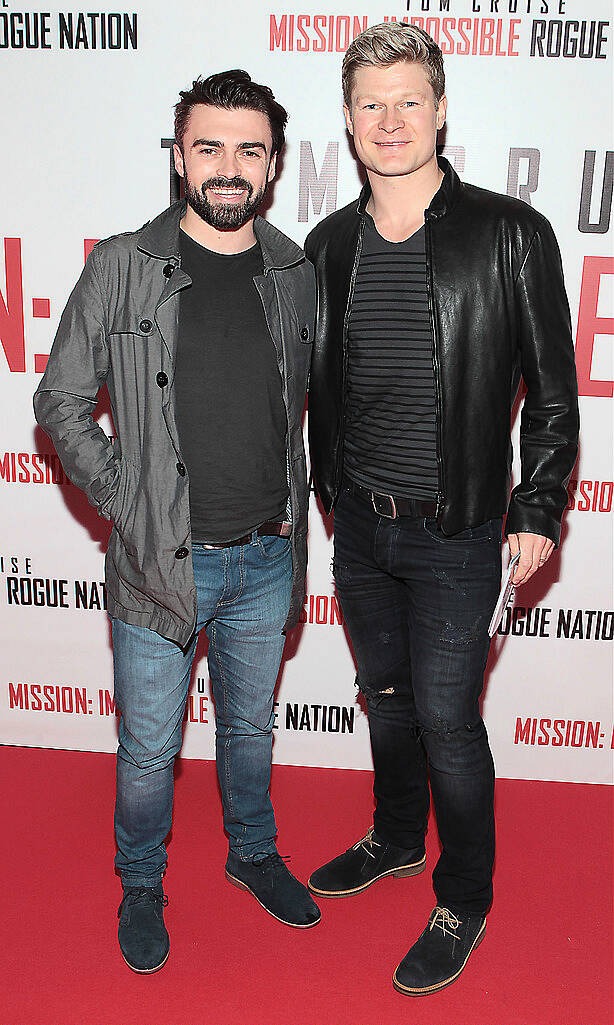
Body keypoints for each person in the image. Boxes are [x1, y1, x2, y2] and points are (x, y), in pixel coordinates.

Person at [305, 23, 578, 996]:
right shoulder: (326, 244)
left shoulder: (508, 234)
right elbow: (319, 390)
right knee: (382, 700)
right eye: (369, 103)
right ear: (346, 120)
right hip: (360, 528)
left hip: (459, 528)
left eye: (407, 99)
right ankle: (392, 835)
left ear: (441, 107)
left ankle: (463, 892)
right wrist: (328, 501)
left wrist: (537, 505)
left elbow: (550, 391)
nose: (389, 121)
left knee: (446, 719)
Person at [34, 69, 319, 974]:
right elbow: (62, 400)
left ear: (272, 164)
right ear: (178, 157)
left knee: (249, 729)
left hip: (268, 555)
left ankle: (251, 851)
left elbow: (303, 411)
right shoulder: (123, 264)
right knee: (150, 751)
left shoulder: (294, 269)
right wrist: (128, 498)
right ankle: (142, 883)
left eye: (249, 150)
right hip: (162, 564)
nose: (228, 168)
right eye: (210, 147)